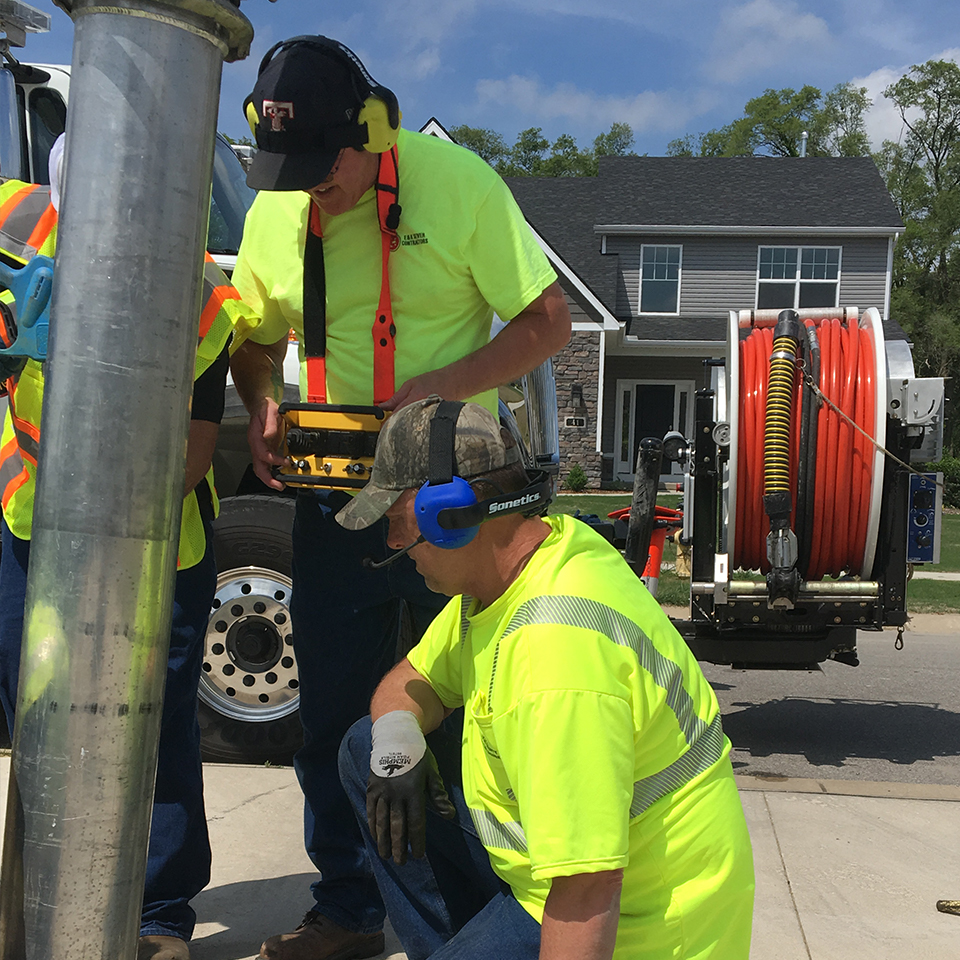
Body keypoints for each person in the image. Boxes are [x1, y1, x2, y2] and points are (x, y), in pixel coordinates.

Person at [229, 35, 571, 960]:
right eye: (283, 167)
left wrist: (445, 386)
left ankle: (477, 915)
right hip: (334, 502)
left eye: (321, 166)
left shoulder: (460, 185)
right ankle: (346, 910)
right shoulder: (278, 208)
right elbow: (252, 338)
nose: (307, 188)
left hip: (447, 502)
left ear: (374, 131)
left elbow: (549, 321)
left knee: (457, 718)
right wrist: (261, 402)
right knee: (336, 720)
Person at [335, 396, 756, 960]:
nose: (390, 544)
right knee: (368, 745)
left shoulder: (554, 654)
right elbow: (408, 681)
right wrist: (397, 743)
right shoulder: (518, 569)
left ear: (450, 513)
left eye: (395, 522)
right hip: (556, 880)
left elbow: (589, 886)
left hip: (633, 927)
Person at [0, 142, 259, 960]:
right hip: (22, 522)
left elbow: (189, 452)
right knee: (34, 714)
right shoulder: (12, 224)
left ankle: (157, 914)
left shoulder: (196, 297)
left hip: (155, 544)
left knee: (152, 725)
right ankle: (33, 903)